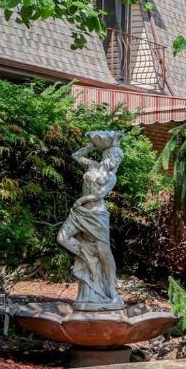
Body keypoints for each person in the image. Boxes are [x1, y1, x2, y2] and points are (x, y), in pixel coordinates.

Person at [59, 130, 125, 310]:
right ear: (107, 155)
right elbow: (76, 155)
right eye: (115, 158)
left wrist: (81, 200)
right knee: (62, 238)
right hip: (80, 212)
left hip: (97, 214)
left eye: (118, 160)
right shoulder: (93, 166)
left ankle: (112, 292)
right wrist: (92, 145)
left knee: (104, 250)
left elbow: (99, 195)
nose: (116, 162)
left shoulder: (111, 177)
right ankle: (88, 259)